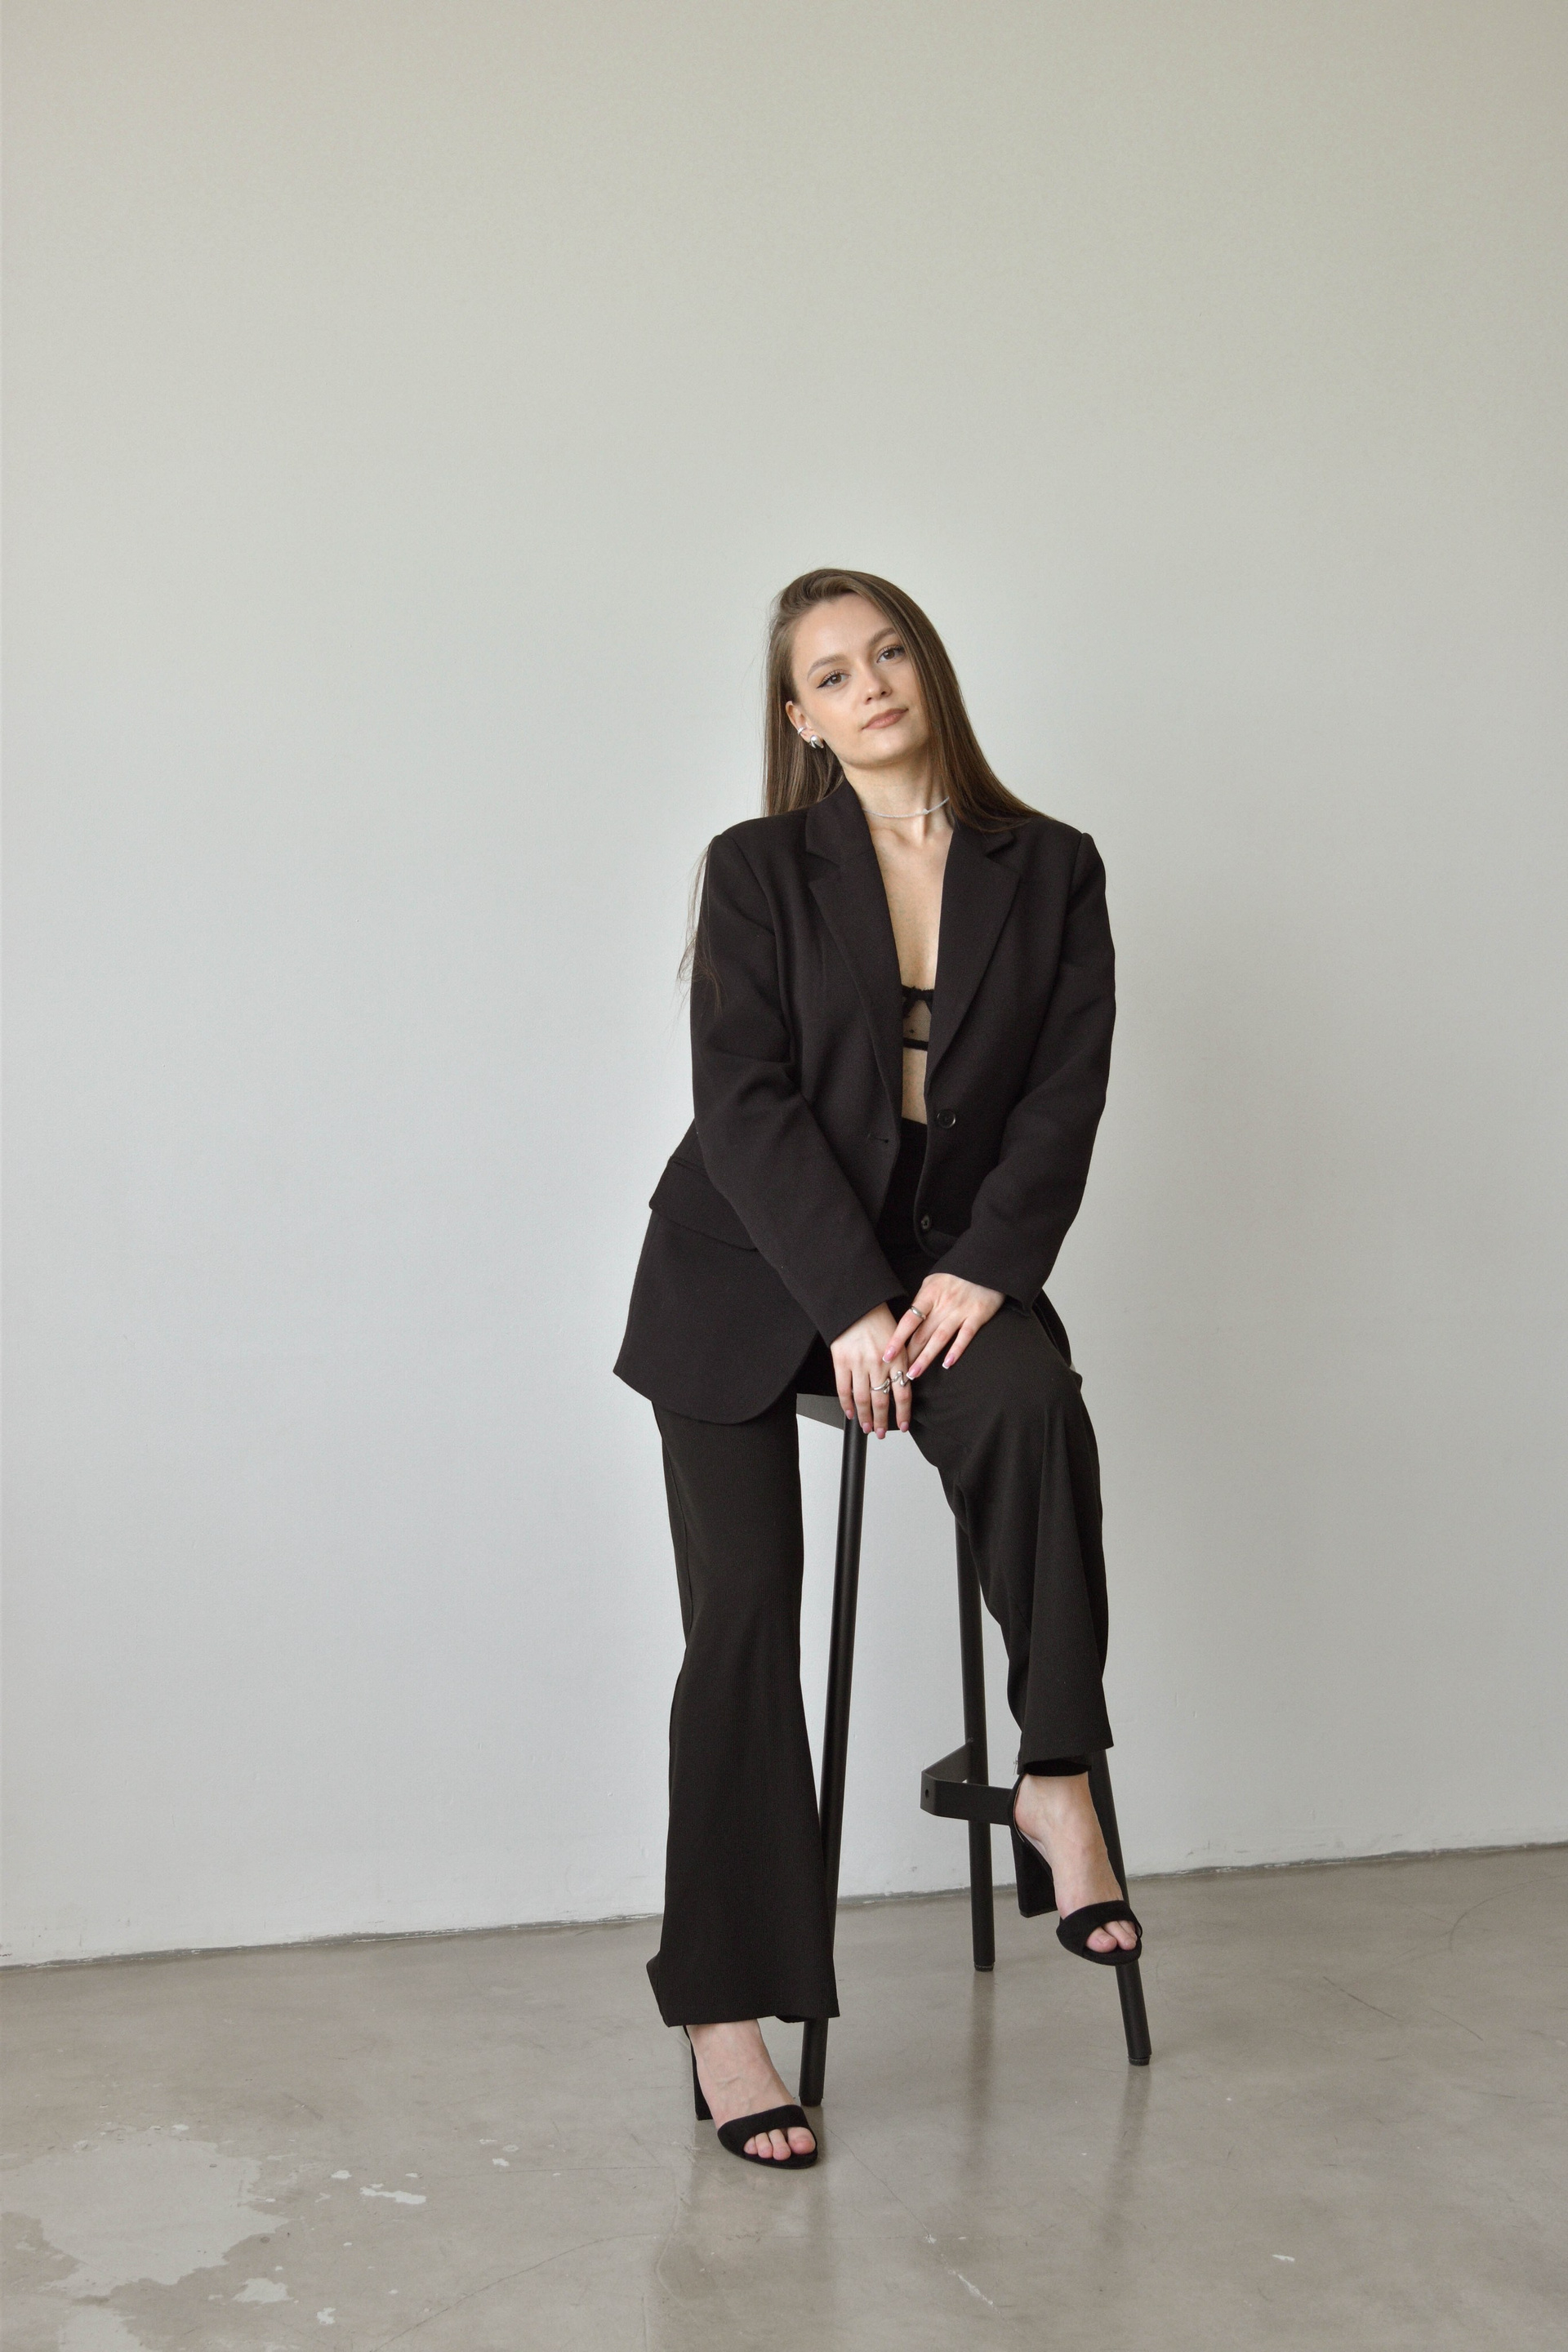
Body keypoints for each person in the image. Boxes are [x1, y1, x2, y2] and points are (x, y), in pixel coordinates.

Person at [614, 568, 1140, 2172]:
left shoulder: (1050, 865)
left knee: (1033, 1407)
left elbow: (1063, 1091)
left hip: (946, 1270)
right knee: (743, 1620)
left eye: (890, 651)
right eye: (834, 673)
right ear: (803, 719)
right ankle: (724, 2014)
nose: (872, 684)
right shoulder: (759, 867)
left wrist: (984, 1268)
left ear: (929, 667)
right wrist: (846, 1302)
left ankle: (1056, 1776)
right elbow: (744, 1099)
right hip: (744, 1271)